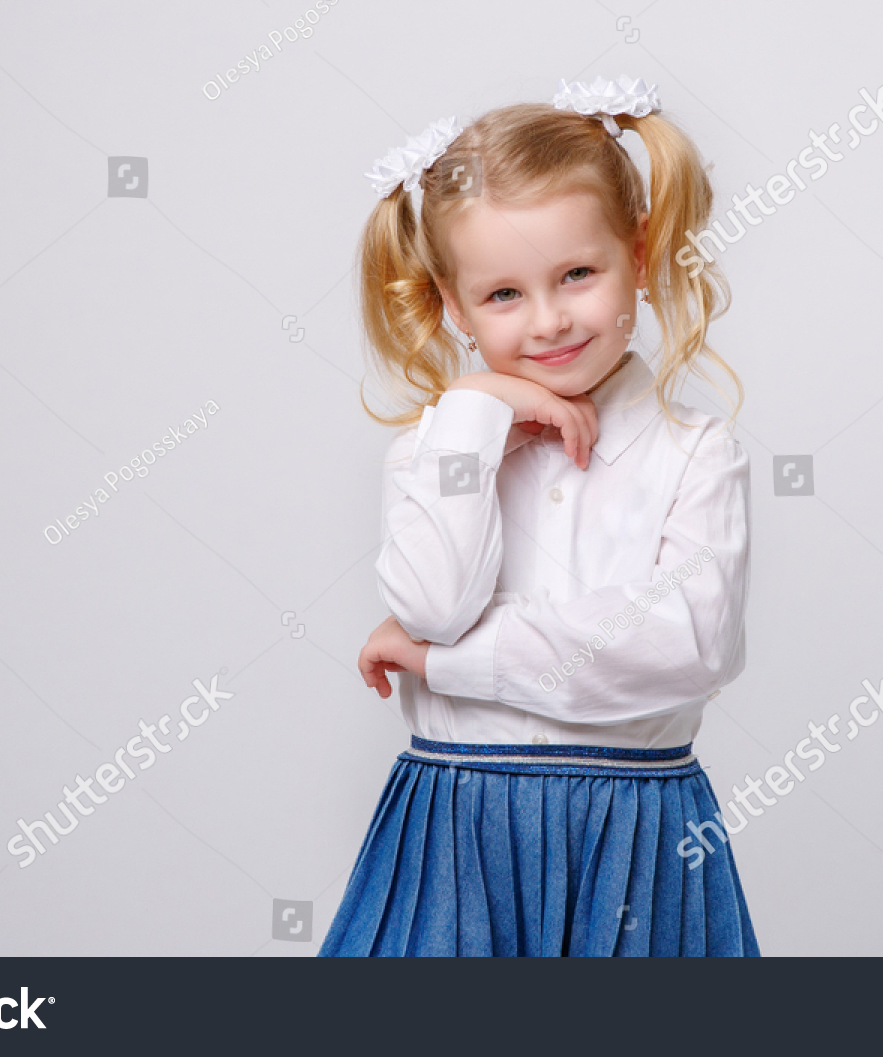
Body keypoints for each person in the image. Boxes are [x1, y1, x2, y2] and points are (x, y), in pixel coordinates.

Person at [319, 77, 758, 956]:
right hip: (457, 831)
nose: (550, 320)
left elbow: (688, 645)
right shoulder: (430, 453)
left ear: (638, 254)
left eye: (578, 274)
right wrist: (476, 407)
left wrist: (451, 664)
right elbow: (435, 604)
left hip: (637, 830)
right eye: (504, 295)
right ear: (452, 304)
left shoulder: (694, 450)